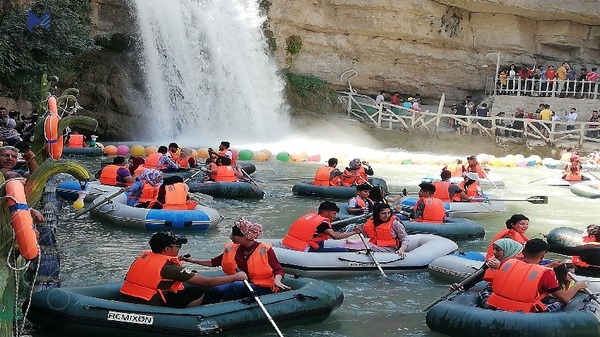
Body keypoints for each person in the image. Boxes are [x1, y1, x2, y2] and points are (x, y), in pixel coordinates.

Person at [120, 231, 247, 308]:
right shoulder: (170, 268)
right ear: (167, 249)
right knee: (199, 290)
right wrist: (236, 277)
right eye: (178, 245)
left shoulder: (143, 258)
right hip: (151, 304)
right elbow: (206, 282)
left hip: (129, 297)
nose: (179, 248)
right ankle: (191, 314)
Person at [183, 218, 290, 303]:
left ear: (244, 236)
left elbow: (278, 270)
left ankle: (225, 304)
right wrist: (191, 260)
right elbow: (213, 262)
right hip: (239, 283)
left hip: (261, 286)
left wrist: (277, 280)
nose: (231, 237)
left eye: (234, 235)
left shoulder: (265, 250)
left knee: (237, 285)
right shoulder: (232, 248)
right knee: (217, 289)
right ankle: (212, 306)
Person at [485, 239, 587, 313]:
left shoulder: (508, 262)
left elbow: (526, 271)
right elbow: (564, 298)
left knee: (487, 288)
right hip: (521, 312)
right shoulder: (546, 273)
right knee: (559, 303)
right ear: (542, 256)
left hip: (494, 304)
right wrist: (578, 285)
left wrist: (550, 265)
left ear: (523, 252)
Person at [450, 238, 524, 303]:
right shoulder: (492, 262)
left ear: (508, 250)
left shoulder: (521, 264)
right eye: (494, 249)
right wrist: (461, 286)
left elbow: (518, 281)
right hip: (495, 291)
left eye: (498, 250)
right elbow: (477, 277)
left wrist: (500, 267)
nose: (494, 252)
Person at [281, 201, 361, 252]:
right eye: (334, 213)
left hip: (296, 246)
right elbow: (335, 236)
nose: (335, 216)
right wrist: (354, 232)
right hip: (308, 249)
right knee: (344, 250)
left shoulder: (311, 217)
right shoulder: (323, 224)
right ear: (326, 213)